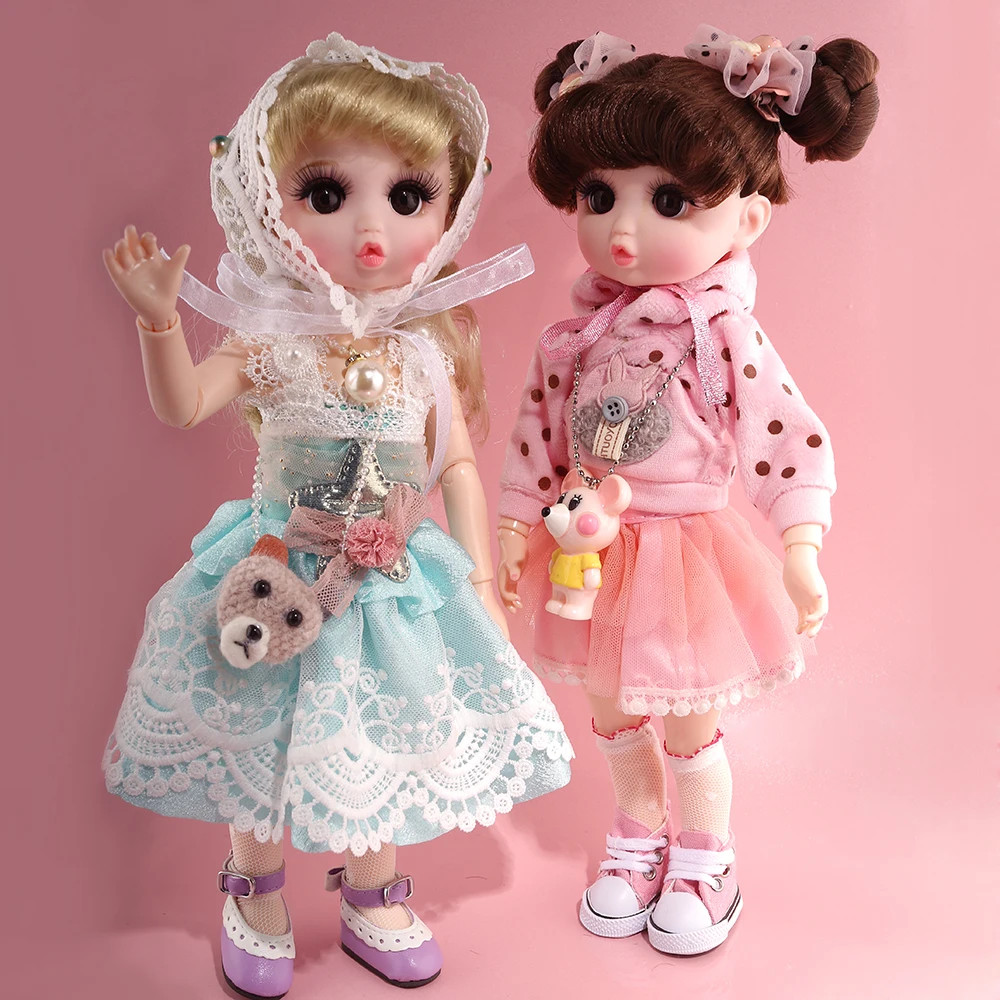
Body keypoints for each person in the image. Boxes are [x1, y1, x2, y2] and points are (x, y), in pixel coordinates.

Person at [102, 31, 572, 996]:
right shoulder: (272, 339)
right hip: (277, 569)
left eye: (408, 197)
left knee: (381, 731)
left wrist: (482, 581)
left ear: (450, 208)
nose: (370, 229)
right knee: (263, 724)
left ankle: (372, 890)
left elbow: (457, 468)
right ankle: (255, 889)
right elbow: (184, 405)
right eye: (325, 193)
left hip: (391, 581)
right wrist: (158, 322)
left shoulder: (422, 351)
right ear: (265, 207)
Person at [497, 27, 878, 955]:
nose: (622, 231)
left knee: (685, 712)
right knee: (610, 706)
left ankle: (707, 855)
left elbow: (785, 431)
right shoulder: (578, 336)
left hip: (683, 555)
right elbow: (538, 433)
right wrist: (512, 526)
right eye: (599, 197)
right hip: (588, 551)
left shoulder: (722, 333)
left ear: (746, 220)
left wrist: (801, 545)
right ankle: (638, 835)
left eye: (668, 201)